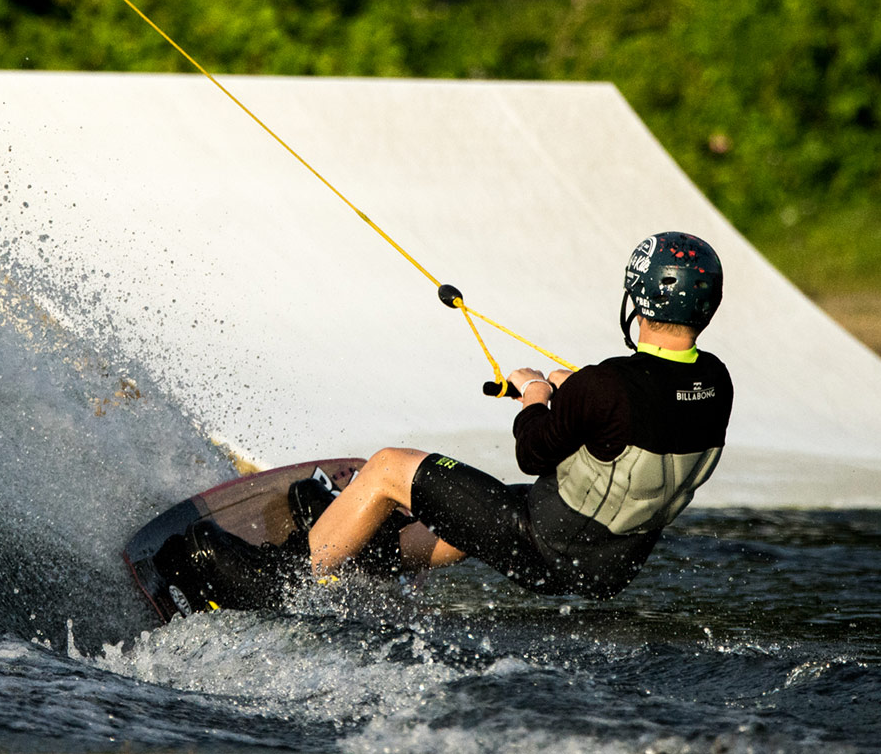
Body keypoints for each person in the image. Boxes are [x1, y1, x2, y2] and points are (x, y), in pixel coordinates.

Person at [306, 231, 734, 599]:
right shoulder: (716, 382)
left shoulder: (605, 386)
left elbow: (532, 453)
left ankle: (300, 578)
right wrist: (574, 388)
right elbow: (645, 412)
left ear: (639, 299)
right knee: (475, 508)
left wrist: (534, 393)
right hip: (609, 570)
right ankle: (374, 560)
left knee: (387, 467)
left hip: (544, 545)